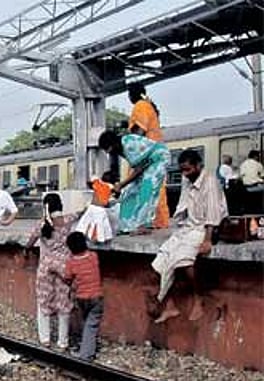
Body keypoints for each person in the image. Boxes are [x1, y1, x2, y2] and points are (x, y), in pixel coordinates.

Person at [152, 150, 228, 324]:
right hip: (189, 227)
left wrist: (208, 240)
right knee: (163, 258)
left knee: (184, 260)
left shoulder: (210, 182)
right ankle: (170, 305)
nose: (185, 174)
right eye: (182, 171)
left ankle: (197, 298)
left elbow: (213, 213)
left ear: (198, 166)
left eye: (188, 170)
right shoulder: (187, 181)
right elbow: (182, 207)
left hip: (209, 228)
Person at [24, 193, 78, 350]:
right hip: (63, 268)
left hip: (45, 268)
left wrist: (26, 250)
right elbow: (82, 212)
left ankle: (45, 340)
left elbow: (30, 241)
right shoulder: (68, 220)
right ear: (60, 205)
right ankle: (63, 342)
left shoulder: (42, 225)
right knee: (63, 303)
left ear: (45, 207)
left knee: (43, 302)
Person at [98, 130, 170, 235]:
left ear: (112, 144)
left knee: (147, 189)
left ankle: (144, 225)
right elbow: (138, 168)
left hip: (159, 159)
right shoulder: (121, 149)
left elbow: (139, 169)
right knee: (128, 192)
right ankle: (126, 226)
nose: (108, 152)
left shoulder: (128, 144)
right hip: (146, 164)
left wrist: (121, 184)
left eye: (107, 149)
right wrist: (123, 186)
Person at [127, 82, 169, 229]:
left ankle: (143, 224)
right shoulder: (149, 106)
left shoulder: (140, 106)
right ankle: (158, 222)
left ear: (132, 94)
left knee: (141, 189)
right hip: (154, 154)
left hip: (146, 155)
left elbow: (139, 131)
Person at [64, 232, 103, 361]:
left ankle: (87, 349)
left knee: (87, 323)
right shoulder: (93, 256)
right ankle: (87, 353)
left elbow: (67, 278)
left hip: (81, 297)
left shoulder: (71, 262)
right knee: (91, 325)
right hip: (96, 297)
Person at [75, 172, 115, 243]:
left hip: (92, 206)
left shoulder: (97, 183)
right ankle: (102, 238)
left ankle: (83, 234)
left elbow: (92, 180)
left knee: (85, 221)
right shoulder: (110, 187)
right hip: (100, 208)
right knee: (101, 224)